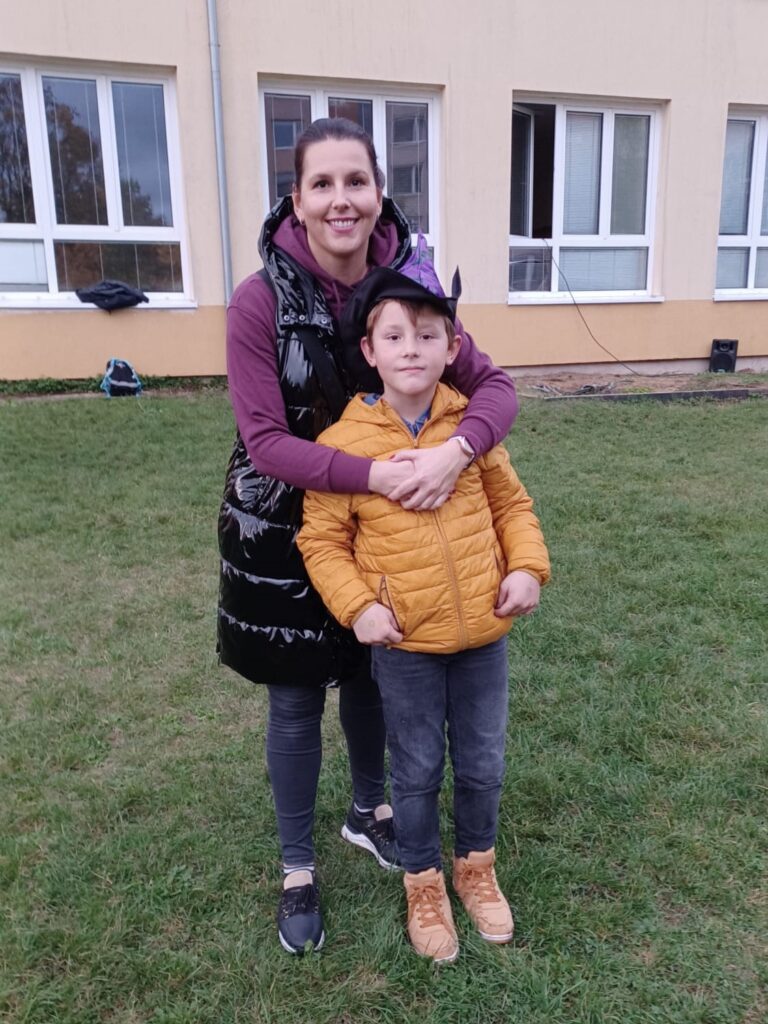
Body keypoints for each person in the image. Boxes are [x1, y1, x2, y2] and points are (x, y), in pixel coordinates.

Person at [217, 117, 520, 955]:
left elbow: (494, 388)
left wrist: (457, 450)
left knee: (371, 674)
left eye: (356, 180)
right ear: (296, 201)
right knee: (295, 697)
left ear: (379, 192)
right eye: (322, 183)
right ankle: (297, 869)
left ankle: (368, 811)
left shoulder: (407, 288)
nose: (341, 199)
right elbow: (264, 441)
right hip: (284, 524)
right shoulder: (259, 301)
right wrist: (378, 476)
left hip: (391, 531)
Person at [297, 263, 550, 963]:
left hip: (483, 636)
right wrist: (358, 608)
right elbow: (322, 540)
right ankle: (424, 884)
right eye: (394, 336)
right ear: (370, 350)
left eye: (428, 335)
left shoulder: (471, 427)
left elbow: (512, 505)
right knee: (414, 771)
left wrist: (526, 567)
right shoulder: (344, 444)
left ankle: (475, 868)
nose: (411, 348)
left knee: (482, 763)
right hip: (404, 645)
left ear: (452, 346)